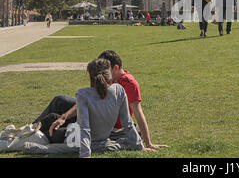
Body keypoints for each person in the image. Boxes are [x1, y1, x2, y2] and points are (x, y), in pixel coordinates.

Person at [33, 50, 168, 152]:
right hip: (98, 114)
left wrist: (148, 143)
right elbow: (90, 100)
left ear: (114, 68)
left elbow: (137, 114)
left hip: (103, 122)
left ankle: (33, 132)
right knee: (60, 102)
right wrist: (65, 116)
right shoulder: (109, 82)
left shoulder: (127, 84)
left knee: (55, 117)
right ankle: (31, 128)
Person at [77, 58, 144, 157]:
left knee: (54, 117)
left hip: (79, 139)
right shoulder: (119, 90)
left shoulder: (83, 94)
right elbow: (127, 123)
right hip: (97, 140)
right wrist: (140, 146)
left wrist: (85, 154)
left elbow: (84, 128)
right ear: (110, 74)